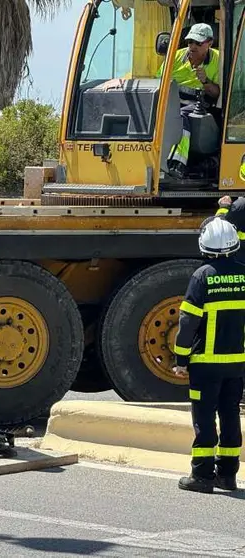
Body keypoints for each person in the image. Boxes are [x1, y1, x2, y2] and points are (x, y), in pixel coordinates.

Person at [172, 217, 245, 493]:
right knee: (230, 415)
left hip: (205, 365)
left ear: (204, 247)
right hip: (237, 364)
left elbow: (187, 322)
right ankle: (227, 475)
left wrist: (181, 360)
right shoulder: (244, 273)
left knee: (204, 417)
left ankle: (202, 476)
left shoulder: (202, 276)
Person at [157, 23, 222, 179]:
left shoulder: (219, 59)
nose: (192, 46)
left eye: (198, 43)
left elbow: (217, 94)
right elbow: (157, 82)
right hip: (172, 102)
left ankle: (178, 162)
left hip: (202, 105)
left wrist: (205, 81)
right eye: (190, 42)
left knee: (181, 117)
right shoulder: (176, 56)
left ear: (210, 43)